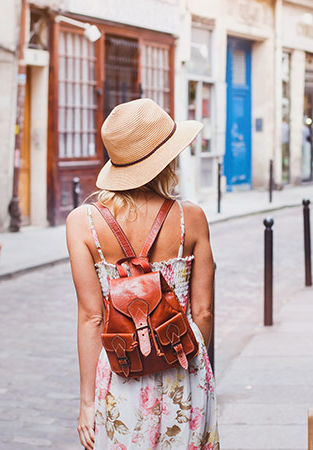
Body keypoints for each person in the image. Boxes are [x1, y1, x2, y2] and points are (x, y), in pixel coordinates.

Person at [66, 98, 219, 449]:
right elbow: (204, 312)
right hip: (184, 367)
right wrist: (193, 364)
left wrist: (87, 403)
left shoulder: (82, 224)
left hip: (121, 371)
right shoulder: (190, 218)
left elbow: (91, 317)